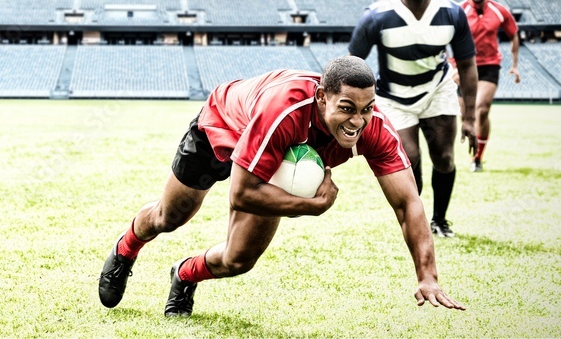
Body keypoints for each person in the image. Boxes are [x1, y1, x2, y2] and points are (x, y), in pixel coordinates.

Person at [98, 57, 466, 318]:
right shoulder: (287, 110)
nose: (358, 121)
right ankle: (126, 248)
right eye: (347, 108)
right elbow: (241, 193)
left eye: (367, 108)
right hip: (224, 126)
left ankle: (184, 274)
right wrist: (312, 206)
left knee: (239, 259)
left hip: (275, 157)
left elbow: (408, 203)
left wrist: (427, 275)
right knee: (171, 215)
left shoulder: (374, 128)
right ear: (322, 97)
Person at [348, 0, 478, 239]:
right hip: (393, 96)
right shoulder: (376, 15)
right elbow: (352, 63)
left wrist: (470, 118)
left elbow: (468, 65)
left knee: (444, 158)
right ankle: (415, 216)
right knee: (409, 156)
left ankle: (440, 220)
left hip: (438, 89)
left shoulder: (453, 12)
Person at [454, 0, 520, 172]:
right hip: (465, 66)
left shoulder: (499, 11)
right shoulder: (458, 10)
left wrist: (515, 65)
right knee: (465, 114)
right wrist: (452, 65)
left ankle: (477, 158)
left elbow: (514, 35)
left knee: (481, 109)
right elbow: (446, 38)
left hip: (490, 65)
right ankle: (469, 144)